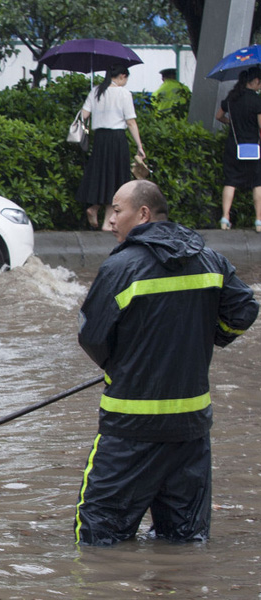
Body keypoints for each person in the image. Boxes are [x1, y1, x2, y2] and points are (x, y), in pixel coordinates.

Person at [74, 180, 258, 546]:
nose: (111, 220)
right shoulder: (209, 258)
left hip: (129, 430)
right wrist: (212, 335)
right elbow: (244, 309)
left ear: (143, 214)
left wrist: (124, 364)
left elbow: (92, 337)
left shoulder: (121, 267)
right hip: (190, 432)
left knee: (98, 541)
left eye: (117, 210)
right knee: (185, 541)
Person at [75, 64, 146, 232]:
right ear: (122, 76)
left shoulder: (96, 91)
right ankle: (107, 222)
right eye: (126, 78)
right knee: (115, 179)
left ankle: (94, 207)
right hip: (117, 139)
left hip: (99, 139)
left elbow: (83, 115)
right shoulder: (124, 94)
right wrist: (139, 145)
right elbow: (130, 122)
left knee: (100, 175)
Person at [215, 66, 261, 232]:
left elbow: (219, 116)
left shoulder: (232, 98)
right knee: (257, 183)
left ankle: (225, 218)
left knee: (231, 181)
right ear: (255, 81)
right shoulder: (257, 101)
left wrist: (231, 123)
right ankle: (258, 221)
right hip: (254, 148)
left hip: (233, 146)